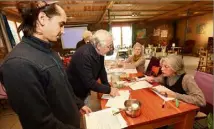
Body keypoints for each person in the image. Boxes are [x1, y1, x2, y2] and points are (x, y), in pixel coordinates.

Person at [0, 1, 91, 129]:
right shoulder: (18, 64)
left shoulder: (51, 52)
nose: (63, 31)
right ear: (42, 18)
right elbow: (39, 123)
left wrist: (78, 104)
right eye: (61, 24)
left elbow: (64, 87)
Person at [66, 29, 120, 102]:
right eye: (109, 46)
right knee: (79, 109)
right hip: (74, 92)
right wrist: (109, 90)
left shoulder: (99, 51)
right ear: (98, 46)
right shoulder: (84, 55)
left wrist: (107, 86)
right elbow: (89, 82)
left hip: (84, 88)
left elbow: (102, 69)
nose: (110, 49)